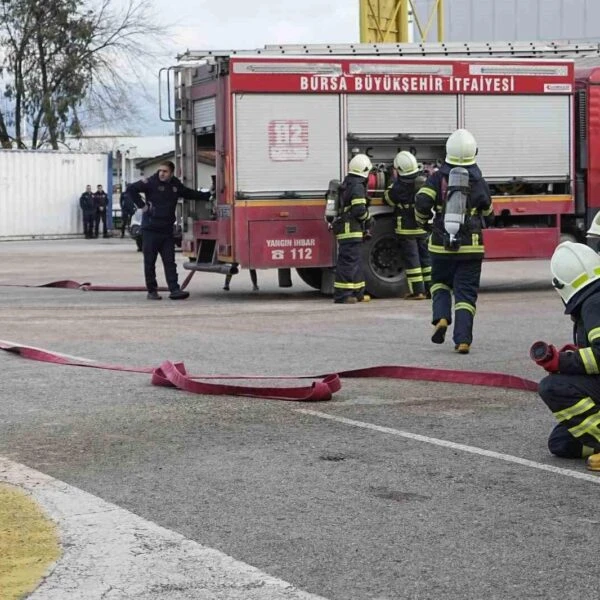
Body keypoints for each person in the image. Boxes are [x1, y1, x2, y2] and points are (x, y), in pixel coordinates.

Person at [414, 129, 494, 354]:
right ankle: (463, 340)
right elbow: (488, 210)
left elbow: (422, 201)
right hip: (471, 246)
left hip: (440, 245)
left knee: (439, 283)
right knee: (465, 293)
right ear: (473, 152)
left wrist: (424, 223)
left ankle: (440, 318)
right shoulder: (478, 179)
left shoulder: (438, 177)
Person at [533, 241, 600, 471]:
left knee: (552, 388)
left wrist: (561, 362)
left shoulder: (594, 303)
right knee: (562, 442)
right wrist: (575, 357)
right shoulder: (594, 299)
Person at [125, 160, 211, 300]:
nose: (161, 173)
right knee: (150, 262)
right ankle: (152, 291)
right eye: (160, 171)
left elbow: (188, 193)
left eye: (165, 171)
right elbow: (131, 189)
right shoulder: (150, 182)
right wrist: (142, 205)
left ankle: (174, 290)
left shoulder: (174, 184)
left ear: (171, 173)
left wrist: (206, 196)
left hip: (166, 230)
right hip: (150, 230)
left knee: (170, 262)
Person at [384, 151, 431, 300]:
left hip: (406, 229)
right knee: (426, 259)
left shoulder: (399, 186)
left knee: (413, 261)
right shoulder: (424, 181)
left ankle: (418, 291)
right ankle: (431, 289)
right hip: (422, 227)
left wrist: (390, 181)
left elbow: (389, 200)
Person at [331, 153, 374, 304]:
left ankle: (358, 293)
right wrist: (368, 219)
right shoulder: (357, 186)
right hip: (350, 229)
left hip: (349, 228)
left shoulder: (350, 182)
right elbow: (359, 210)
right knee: (348, 262)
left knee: (355, 261)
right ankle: (343, 295)